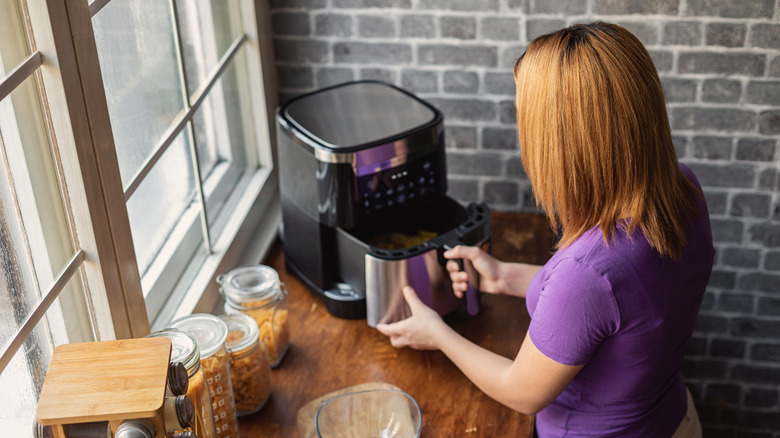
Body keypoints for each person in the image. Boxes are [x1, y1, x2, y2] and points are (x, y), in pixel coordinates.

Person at [376, 22, 714, 437]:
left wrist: (437, 334)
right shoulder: (683, 188)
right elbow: (620, 306)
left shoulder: (588, 274)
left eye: (528, 123)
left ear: (565, 142)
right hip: (677, 421)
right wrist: (503, 277)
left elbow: (521, 392)